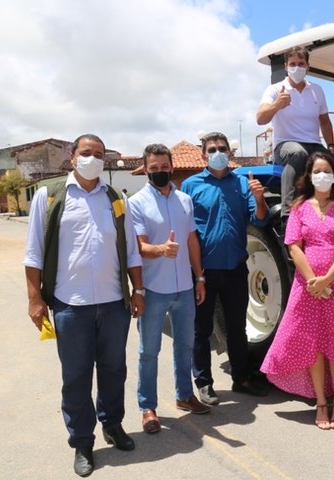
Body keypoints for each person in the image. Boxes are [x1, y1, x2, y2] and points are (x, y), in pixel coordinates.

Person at [24, 134, 144, 477]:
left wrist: (139, 291)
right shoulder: (49, 197)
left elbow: (132, 250)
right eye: (86, 153)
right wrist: (35, 300)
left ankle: (113, 425)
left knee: (113, 370)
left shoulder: (116, 197)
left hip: (113, 304)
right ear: (72, 157)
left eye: (99, 154)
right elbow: (33, 253)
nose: (93, 158)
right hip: (69, 306)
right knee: (76, 376)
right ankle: (81, 441)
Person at [261, 151, 334, 430]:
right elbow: (293, 245)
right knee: (314, 345)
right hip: (307, 286)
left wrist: (327, 279)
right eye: (317, 171)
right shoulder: (300, 207)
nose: (322, 176)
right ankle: (321, 402)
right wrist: (314, 281)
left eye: (327, 170)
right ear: (309, 176)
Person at [181, 131, 270, 404]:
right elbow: (186, 230)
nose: (217, 152)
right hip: (203, 273)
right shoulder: (190, 185)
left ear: (230, 153)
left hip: (235, 268)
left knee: (237, 327)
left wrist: (260, 198)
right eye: (212, 149)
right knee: (202, 330)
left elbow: (261, 219)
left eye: (222, 148)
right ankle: (204, 383)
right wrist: (196, 275)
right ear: (203, 153)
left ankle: (241, 378)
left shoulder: (243, 183)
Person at [128, 144, 210, 435]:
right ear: (145, 170)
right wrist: (162, 250)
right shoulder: (136, 203)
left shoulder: (185, 200)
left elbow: (191, 241)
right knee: (148, 351)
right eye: (154, 169)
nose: (160, 173)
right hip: (153, 288)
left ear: (171, 167)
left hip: (185, 288)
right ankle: (147, 407)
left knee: (185, 345)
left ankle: (185, 395)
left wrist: (199, 278)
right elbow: (137, 247)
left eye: (164, 168)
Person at [256, 46, 334, 216]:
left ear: (307, 66)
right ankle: (287, 214)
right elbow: (260, 118)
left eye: (301, 63)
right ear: (286, 67)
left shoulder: (317, 90)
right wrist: (277, 105)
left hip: (314, 145)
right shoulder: (275, 90)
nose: (297, 67)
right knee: (298, 153)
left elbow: (325, 121)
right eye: (292, 64)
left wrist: (331, 145)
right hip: (285, 144)